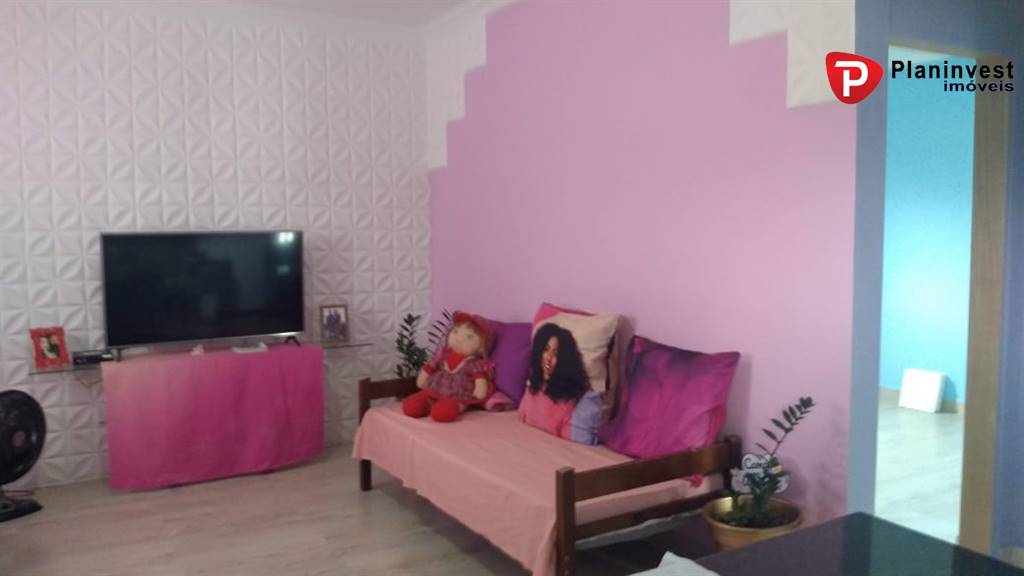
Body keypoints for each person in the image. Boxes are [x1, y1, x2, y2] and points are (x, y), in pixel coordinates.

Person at [518, 323, 591, 438]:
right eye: (546, 349)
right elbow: (521, 417)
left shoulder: (569, 398)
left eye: (555, 353)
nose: (548, 358)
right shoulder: (534, 385)